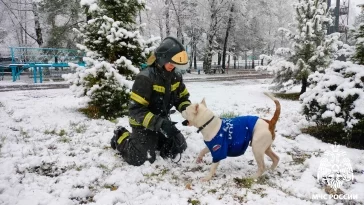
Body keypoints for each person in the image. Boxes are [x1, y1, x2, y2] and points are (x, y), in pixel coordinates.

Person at [110, 36, 191, 166]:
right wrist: (160, 124)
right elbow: (136, 110)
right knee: (142, 158)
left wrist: (188, 112)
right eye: (171, 62)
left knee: (179, 146)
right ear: (162, 58)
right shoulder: (145, 78)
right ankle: (121, 136)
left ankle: (156, 139)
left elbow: (182, 98)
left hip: (161, 122)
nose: (173, 66)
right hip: (142, 124)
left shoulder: (176, 76)